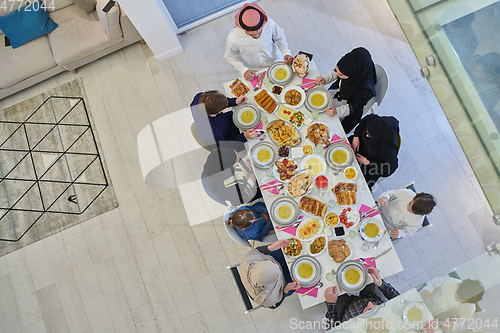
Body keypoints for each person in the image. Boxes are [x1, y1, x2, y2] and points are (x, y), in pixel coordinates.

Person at [316, 47, 377, 134]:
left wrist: (337, 111)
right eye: (337, 70)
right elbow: (336, 72)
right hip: (340, 93)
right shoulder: (351, 66)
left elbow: (354, 108)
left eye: (340, 74)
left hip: (348, 109)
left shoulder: (365, 91)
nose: (336, 74)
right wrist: (325, 79)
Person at [225, 3, 293, 81]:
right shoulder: (234, 37)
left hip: (277, 62)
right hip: (255, 72)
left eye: (260, 33)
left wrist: (286, 52)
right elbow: (231, 56)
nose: (257, 37)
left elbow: (280, 38)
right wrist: (243, 70)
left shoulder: (269, 23)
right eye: (252, 36)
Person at [324, 266, 400, 328]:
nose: (370, 303)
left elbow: (332, 329)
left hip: (344, 309)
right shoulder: (396, 322)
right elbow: (398, 300)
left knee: (327, 289)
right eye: (378, 308)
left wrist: (332, 304)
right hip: (372, 296)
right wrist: (381, 284)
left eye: (368, 310)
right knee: (367, 274)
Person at [241, 239, 300, 308]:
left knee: (290, 249)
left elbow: (258, 251)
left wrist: (271, 247)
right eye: (277, 272)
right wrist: (286, 289)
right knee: (300, 279)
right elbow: (276, 304)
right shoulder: (267, 300)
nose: (278, 266)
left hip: (272, 259)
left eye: (271, 262)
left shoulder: (249, 259)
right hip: (280, 287)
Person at [191, 90, 257, 149]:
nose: (226, 105)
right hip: (229, 137)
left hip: (224, 120)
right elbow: (225, 147)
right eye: (224, 107)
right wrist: (245, 136)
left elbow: (219, 102)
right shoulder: (214, 134)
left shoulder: (200, 97)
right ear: (213, 114)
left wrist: (234, 101)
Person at [348, 114, 399, 189]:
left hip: (369, 164)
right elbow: (363, 122)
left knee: (353, 185)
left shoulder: (387, 150)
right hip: (358, 145)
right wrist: (356, 136)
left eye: (369, 135)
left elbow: (390, 168)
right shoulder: (374, 120)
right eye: (367, 132)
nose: (366, 136)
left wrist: (368, 162)